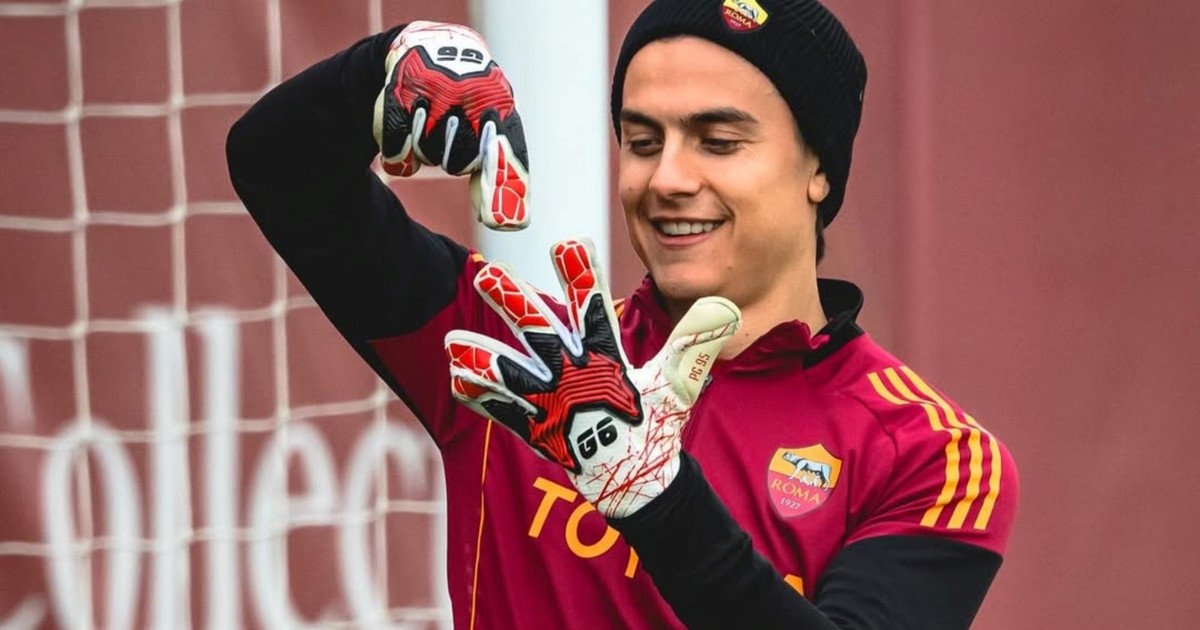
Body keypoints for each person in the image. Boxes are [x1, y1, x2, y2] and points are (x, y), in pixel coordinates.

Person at [226, 1, 1019, 627]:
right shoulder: (521, 359)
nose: (666, 178)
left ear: (819, 168)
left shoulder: (934, 455)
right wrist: (388, 63)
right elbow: (278, 166)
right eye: (642, 142)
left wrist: (657, 499)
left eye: (717, 141)